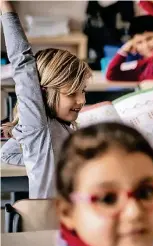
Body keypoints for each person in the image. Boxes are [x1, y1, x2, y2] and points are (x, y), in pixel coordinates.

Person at [1, 1, 92, 198]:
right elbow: (22, 62)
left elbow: (6, 154)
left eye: (83, 91)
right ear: (41, 92)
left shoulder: (60, 127)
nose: (81, 100)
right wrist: (6, 8)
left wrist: (30, 147)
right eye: (72, 93)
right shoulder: (40, 127)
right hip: (54, 223)